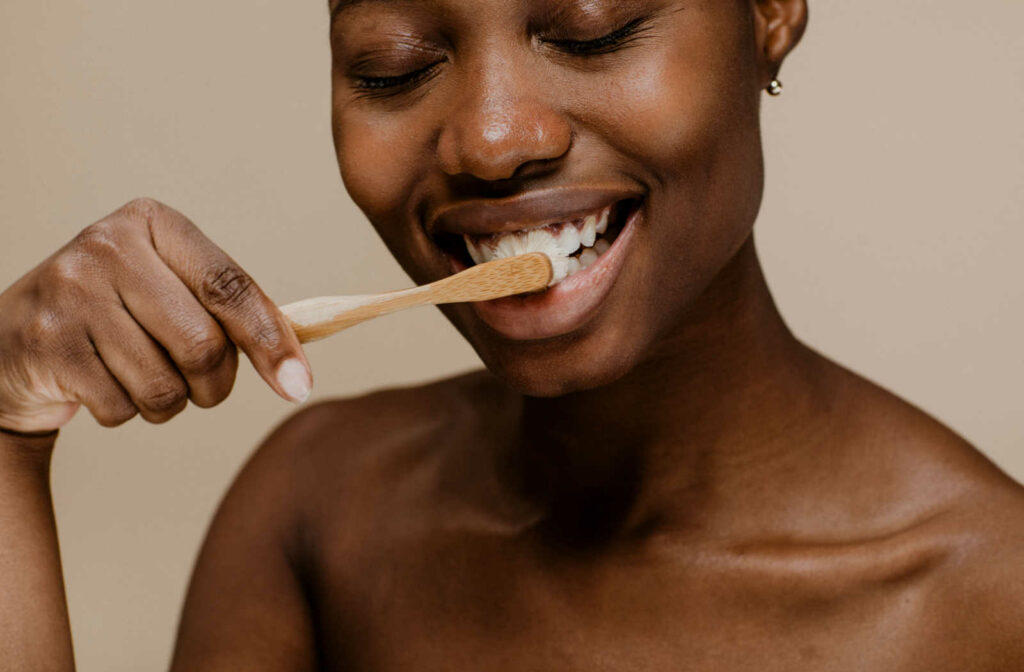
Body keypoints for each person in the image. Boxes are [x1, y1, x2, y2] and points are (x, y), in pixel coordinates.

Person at [1, 0, 1022, 669]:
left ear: (769, 14)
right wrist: (7, 429)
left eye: (592, 28)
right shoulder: (320, 509)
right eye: (393, 69)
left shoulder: (986, 606)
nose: (491, 138)